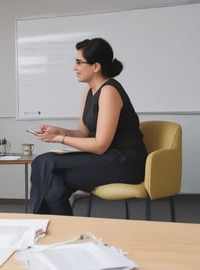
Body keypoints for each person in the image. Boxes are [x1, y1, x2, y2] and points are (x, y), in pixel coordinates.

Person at [30, 38, 147, 215]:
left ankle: (38, 221)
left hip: (125, 162)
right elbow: (83, 133)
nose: (74, 68)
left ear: (95, 66)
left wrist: (59, 139)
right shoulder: (90, 90)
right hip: (106, 158)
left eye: (79, 62)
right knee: (54, 184)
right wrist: (59, 131)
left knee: (44, 161)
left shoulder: (109, 91)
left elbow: (100, 146)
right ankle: (63, 232)